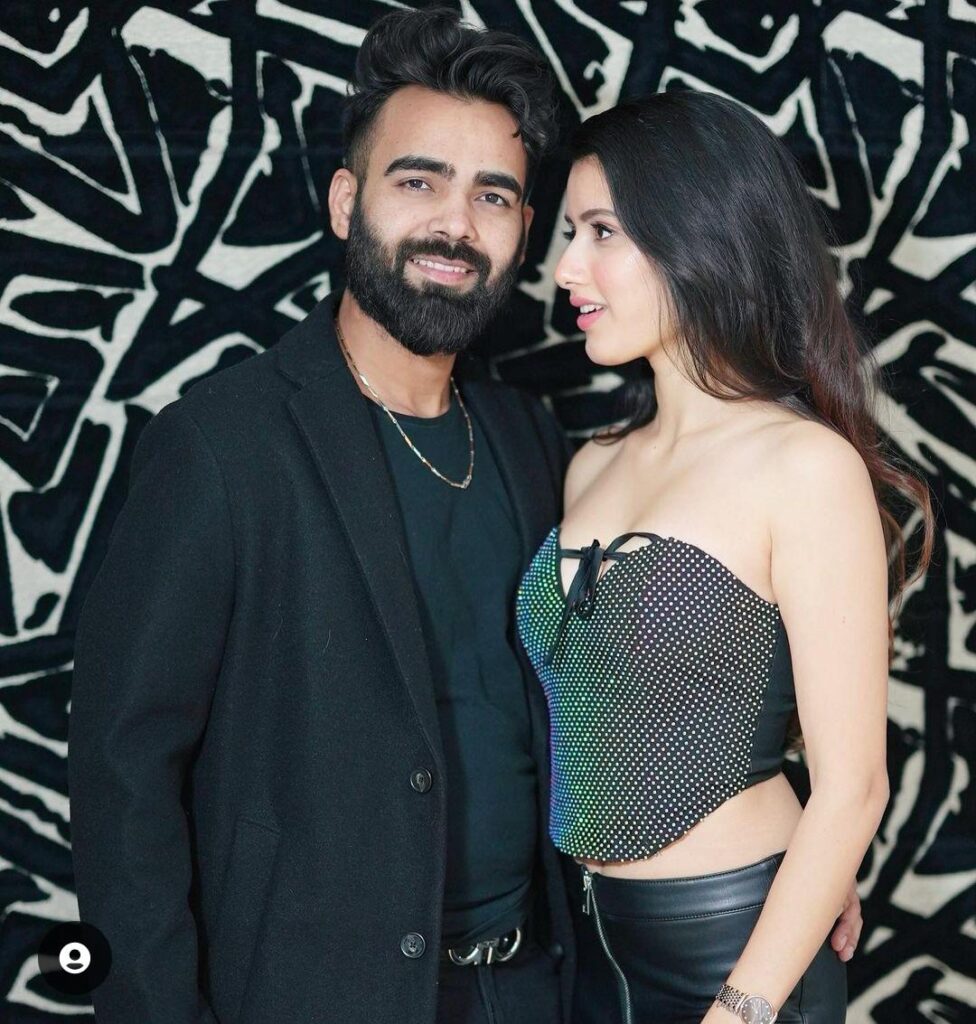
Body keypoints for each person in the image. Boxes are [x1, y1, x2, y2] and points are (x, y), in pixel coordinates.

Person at [68, 9, 863, 1024]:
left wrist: (801, 857)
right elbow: (122, 774)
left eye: (492, 195)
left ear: (521, 228)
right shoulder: (222, 446)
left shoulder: (535, 443)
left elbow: (647, 673)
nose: (455, 224)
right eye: (418, 182)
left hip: (550, 983)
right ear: (346, 202)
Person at [515, 91, 933, 1024]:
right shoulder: (592, 464)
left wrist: (742, 1007)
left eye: (601, 232)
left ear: (697, 236)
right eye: (570, 234)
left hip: (733, 947)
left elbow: (855, 786)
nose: (566, 269)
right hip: (588, 944)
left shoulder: (804, 466)